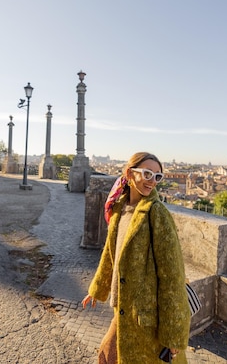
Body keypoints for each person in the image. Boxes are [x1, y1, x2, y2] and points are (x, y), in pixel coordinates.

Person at [82, 152, 190, 363]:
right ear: (130, 174)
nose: (152, 181)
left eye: (157, 176)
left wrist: (174, 336)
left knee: (109, 357)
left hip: (145, 317)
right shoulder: (119, 208)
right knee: (106, 356)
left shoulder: (156, 213)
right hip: (122, 308)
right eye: (147, 173)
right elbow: (110, 254)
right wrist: (97, 289)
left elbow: (173, 276)